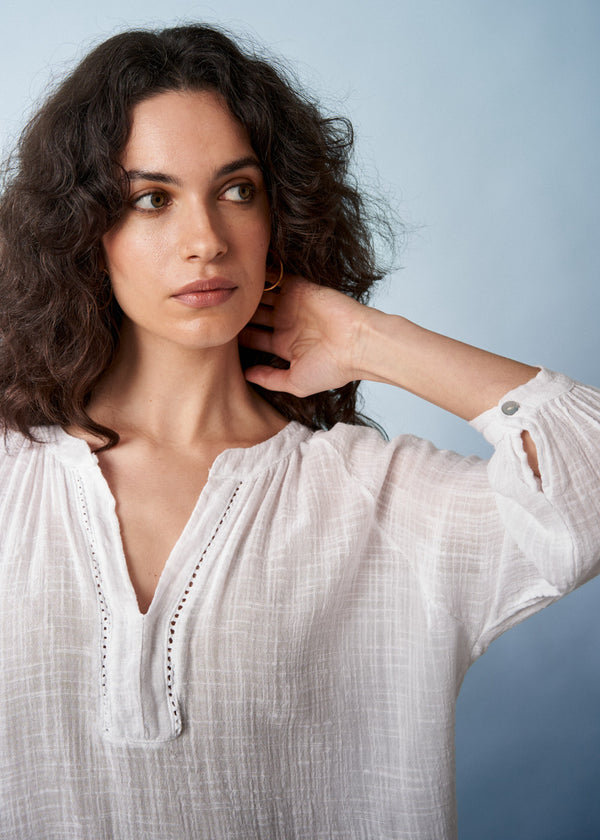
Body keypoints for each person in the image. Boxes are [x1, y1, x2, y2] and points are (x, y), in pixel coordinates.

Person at [0, 23, 598, 840]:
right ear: (83, 230)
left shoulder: (378, 502)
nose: (206, 239)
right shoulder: (13, 476)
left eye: (237, 190)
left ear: (278, 214)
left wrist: (370, 342)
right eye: (152, 199)